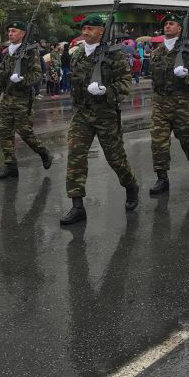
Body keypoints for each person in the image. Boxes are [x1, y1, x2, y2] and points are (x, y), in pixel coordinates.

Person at [61, 14, 138, 225]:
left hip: (106, 115)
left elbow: (125, 84)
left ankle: (130, 185)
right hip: (82, 115)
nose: (85, 32)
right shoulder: (77, 54)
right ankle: (77, 206)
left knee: (115, 158)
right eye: (84, 28)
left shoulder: (114, 55)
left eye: (91, 29)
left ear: (101, 31)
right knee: (75, 154)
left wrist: (106, 91)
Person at [148, 12, 189, 195]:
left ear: (180, 29)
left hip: (183, 103)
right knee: (158, 142)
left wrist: (187, 76)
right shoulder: (156, 53)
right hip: (161, 103)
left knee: (188, 140)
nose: (168, 26)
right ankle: (162, 178)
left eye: (172, 24)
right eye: (166, 24)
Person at [0, 21, 52, 180]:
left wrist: (22, 79)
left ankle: (43, 152)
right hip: (7, 99)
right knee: (4, 133)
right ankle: (10, 166)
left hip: (23, 99)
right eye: (9, 31)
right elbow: (2, 76)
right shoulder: (8, 52)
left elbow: (38, 74)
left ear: (23, 33)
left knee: (25, 132)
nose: (10, 34)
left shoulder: (30, 52)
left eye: (14, 31)